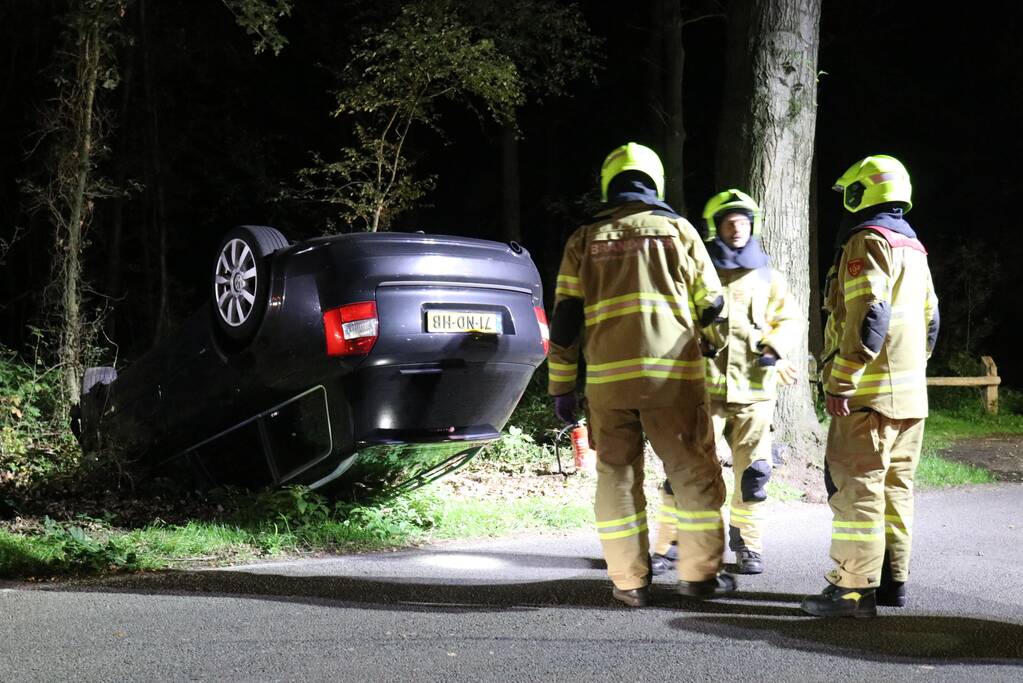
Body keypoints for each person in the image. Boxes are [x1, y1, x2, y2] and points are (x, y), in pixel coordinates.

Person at [547, 142, 733, 607]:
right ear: (654, 182)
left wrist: (561, 385)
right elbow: (712, 306)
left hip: (608, 385)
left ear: (611, 184)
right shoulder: (678, 231)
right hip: (673, 380)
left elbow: (566, 321)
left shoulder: (583, 240)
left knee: (616, 478)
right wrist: (711, 347)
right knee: (693, 474)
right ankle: (697, 576)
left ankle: (629, 582)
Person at [801, 154, 939, 618]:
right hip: (910, 399)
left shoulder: (867, 240)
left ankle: (852, 591)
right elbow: (931, 322)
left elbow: (869, 315)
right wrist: (908, 375)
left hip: (866, 399)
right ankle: (890, 583)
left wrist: (841, 382)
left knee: (857, 490)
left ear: (864, 193)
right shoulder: (913, 247)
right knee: (895, 491)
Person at [652, 189, 800, 576]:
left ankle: (748, 544)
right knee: (681, 470)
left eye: (744, 221)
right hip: (703, 392)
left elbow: (790, 321)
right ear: (715, 228)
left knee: (754, 474)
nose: (737, 227)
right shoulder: (698, 275)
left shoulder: (769, 277)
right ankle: (669, 544)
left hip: (755, 392)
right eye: (729, 221)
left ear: (754, 225)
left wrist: (774, 346)